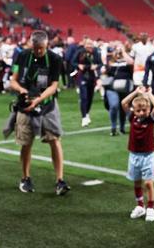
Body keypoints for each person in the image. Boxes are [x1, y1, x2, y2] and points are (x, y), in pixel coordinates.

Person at [7, 30, 70, 196]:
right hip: (25, 105)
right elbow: (13, 80)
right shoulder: (21, 56)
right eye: (35, 48)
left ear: (47, 45)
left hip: (48, 105)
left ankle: (60, 180)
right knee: (26, 142)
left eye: (41, 48)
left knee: (55, 140)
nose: (38, 51)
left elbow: (54, 86)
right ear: (31, 44)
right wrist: (22, 91)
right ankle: (25, 178)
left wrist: (38, 99)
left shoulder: (55, 59)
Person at [121, 87, 154, 222]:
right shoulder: (132, 118)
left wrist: (149, 94)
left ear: (148, 110)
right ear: (134, 111)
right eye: (138, 110)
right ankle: (140, 206)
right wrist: (136, 92)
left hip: (148, 156)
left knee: (148, 183)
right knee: (137, 182)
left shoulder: (150, 119)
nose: (141, 112)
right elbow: (124, 103)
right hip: (134, 155)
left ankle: (151, 208)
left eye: (144, 110)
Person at [102, 43, 134, 136]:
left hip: (125, 86)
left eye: (120, 48)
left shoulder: (128, 58)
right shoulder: (110, 59)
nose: (118, 50)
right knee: (114, 105)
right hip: (112, 86)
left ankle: (122, 127)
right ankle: (113, 127)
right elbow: (104, 69)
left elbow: (131, 62)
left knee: (123, 107)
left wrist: (123, 52)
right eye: (116, 48)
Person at [73, 39, 102, 127]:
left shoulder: (96, 53)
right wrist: (78, 65)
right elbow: (73, 62)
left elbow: (101, 63)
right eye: (88, 44)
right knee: (84, 97)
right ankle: (84, 117)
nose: (89, 46)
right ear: (84, 45)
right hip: (82, 75)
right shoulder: (80, 52)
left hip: (92, 77)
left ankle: (87, 113)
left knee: (90, 97)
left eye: (91, 44)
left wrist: (96, 66)